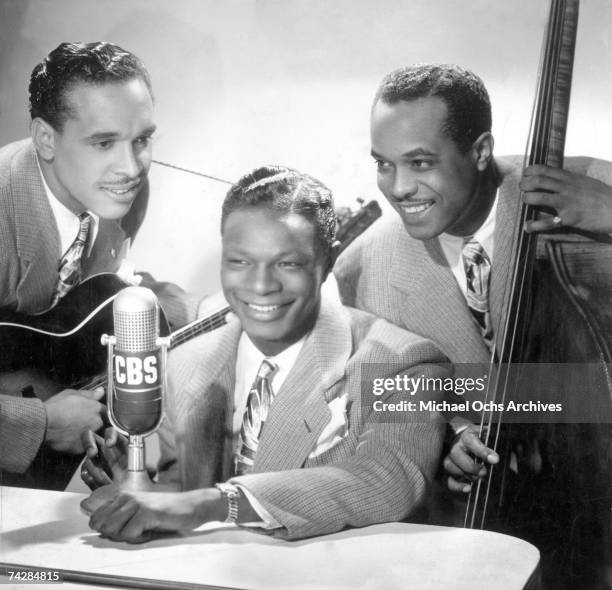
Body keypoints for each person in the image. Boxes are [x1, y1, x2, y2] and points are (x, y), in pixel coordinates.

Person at [334, 64, 612, 588]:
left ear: (481, 151)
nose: (398, 187)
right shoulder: (361, 268)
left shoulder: (592, 189)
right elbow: (393, 396)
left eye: (419, 162)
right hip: (496, 537)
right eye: (383, 164)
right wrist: (449, 432)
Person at [81, 165, 448, 542]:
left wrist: (214, 502)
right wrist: (139, 488)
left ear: (329, 261)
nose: (261, 286)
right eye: (240, 261)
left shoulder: (404, 364)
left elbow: (383, 479)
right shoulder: (186, 362)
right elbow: (185, 499)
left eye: (288, 263)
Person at [0, 42, 199, 489]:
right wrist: (39, 424)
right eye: (103, 142)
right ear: (45, 139)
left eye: (142, 140)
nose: (131, 168)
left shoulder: (117, 193)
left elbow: (91, 298)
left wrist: (205, 306)